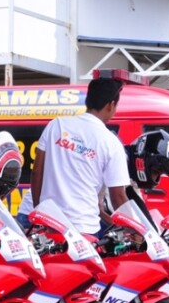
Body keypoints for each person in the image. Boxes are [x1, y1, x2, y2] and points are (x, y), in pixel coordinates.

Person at [30, 76, 130, 237]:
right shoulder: (111, 142)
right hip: (84, 230)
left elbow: (36, 172)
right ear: (111, 105)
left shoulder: (56, 125)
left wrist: (39, 210)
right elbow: (118, 196)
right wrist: (136, 229)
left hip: (51, 227)